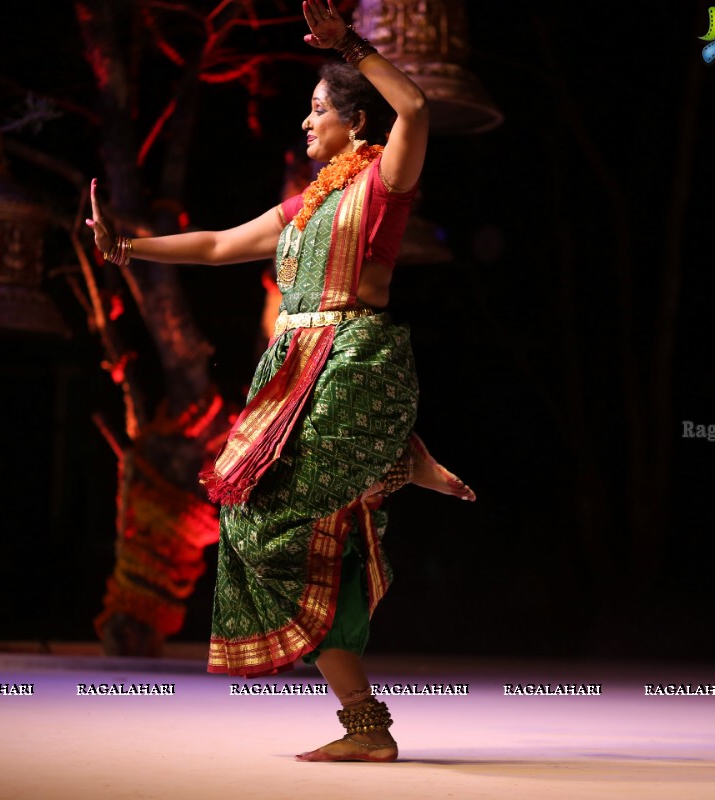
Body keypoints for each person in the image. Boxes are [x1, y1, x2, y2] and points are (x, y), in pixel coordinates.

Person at [87, 0, 474, 762]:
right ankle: (365, 725)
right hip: (294, 376)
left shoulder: (384, 184)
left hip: (352, 363)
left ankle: (391, 452)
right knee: (251, 528)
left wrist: (353, 46)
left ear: (355, 124)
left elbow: (418, 105)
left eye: (318, 109)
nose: (305, 121)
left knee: (268, 523)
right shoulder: (305, 209)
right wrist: (127, 247)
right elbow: (219, 243)